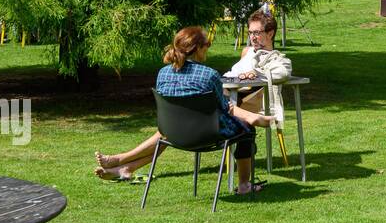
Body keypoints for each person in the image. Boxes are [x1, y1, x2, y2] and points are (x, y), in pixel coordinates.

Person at [94, 24, 274, 194]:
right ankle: (244, 185)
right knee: (247, 131)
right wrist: (251, 117)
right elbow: (223, 109)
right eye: (207, 46)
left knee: (165, 131)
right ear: (198, 48)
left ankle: (124, 165)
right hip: (206, 134)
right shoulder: (209, 74)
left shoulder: (163, 73)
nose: (207, 50)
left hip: (173, 133)